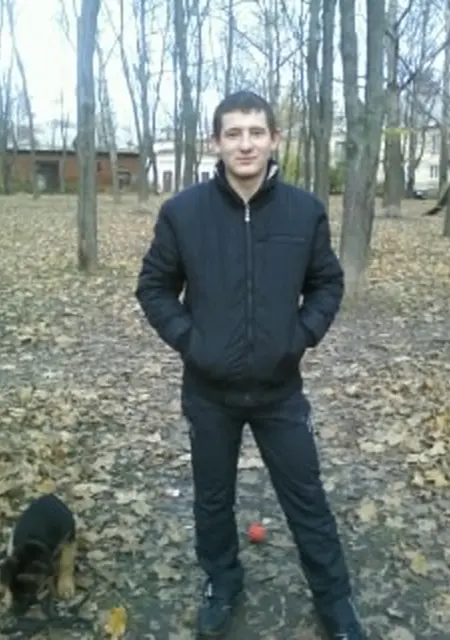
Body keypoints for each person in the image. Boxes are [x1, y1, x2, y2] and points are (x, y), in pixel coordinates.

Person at [135, 91, 367, 639]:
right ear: (216, 142)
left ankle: (334, 600)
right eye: (234, 133)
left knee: (306, 497)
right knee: (212, 498)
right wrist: (193, 342)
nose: (246, 144)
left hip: (279, 390)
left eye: (256, 132)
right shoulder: (183, 213)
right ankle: (222, 581)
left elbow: (327, 283)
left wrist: (300, 336)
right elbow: (154, 287)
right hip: (208, 391)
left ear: (274, 139)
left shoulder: (304, 212)